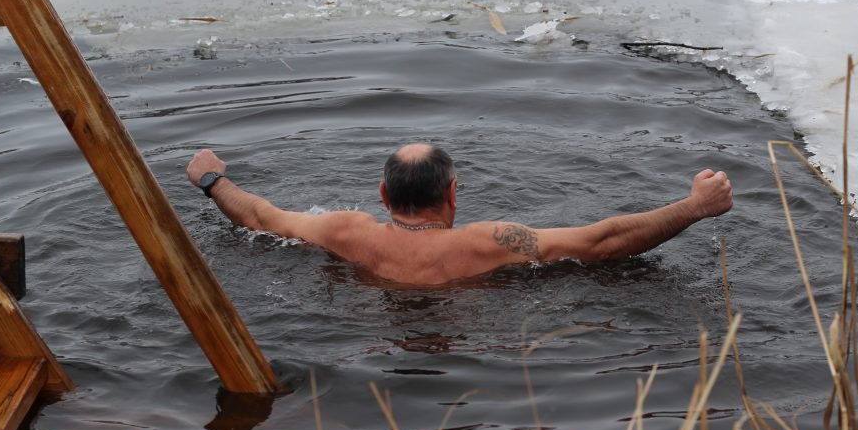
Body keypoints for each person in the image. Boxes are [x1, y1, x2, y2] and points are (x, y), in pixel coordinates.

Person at [186, 143, 733, 285]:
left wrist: (213, 179)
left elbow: (259, 217)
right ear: (452, 194)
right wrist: (694, 206)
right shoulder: (491, 241)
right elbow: (602, 242)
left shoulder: (343, 231)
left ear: (383, 194)